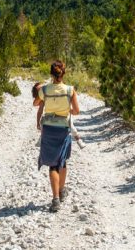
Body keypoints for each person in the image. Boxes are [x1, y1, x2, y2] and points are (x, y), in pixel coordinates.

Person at [34, 60, 80, 212]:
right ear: (63, 73)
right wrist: (66, 111)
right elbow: (76, 111)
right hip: (63, 129)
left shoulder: (45, 89)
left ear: (51, 74)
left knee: (52, 165)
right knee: (63, 161)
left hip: (48, 129)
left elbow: (36, 103)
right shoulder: (70, 90)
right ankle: (61, 191)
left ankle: (55, 200)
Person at [32, 81, 84, 148]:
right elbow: (39, 111)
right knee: (44, 126)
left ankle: (78, 139)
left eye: (42, 87)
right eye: (40, 90)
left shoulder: (50, 91)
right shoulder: (43, 99)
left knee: (72, 126)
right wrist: (38, 122)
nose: (42, 89)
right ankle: (41, 139)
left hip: (63, 113)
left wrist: (69, 109)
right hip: (51, 115)